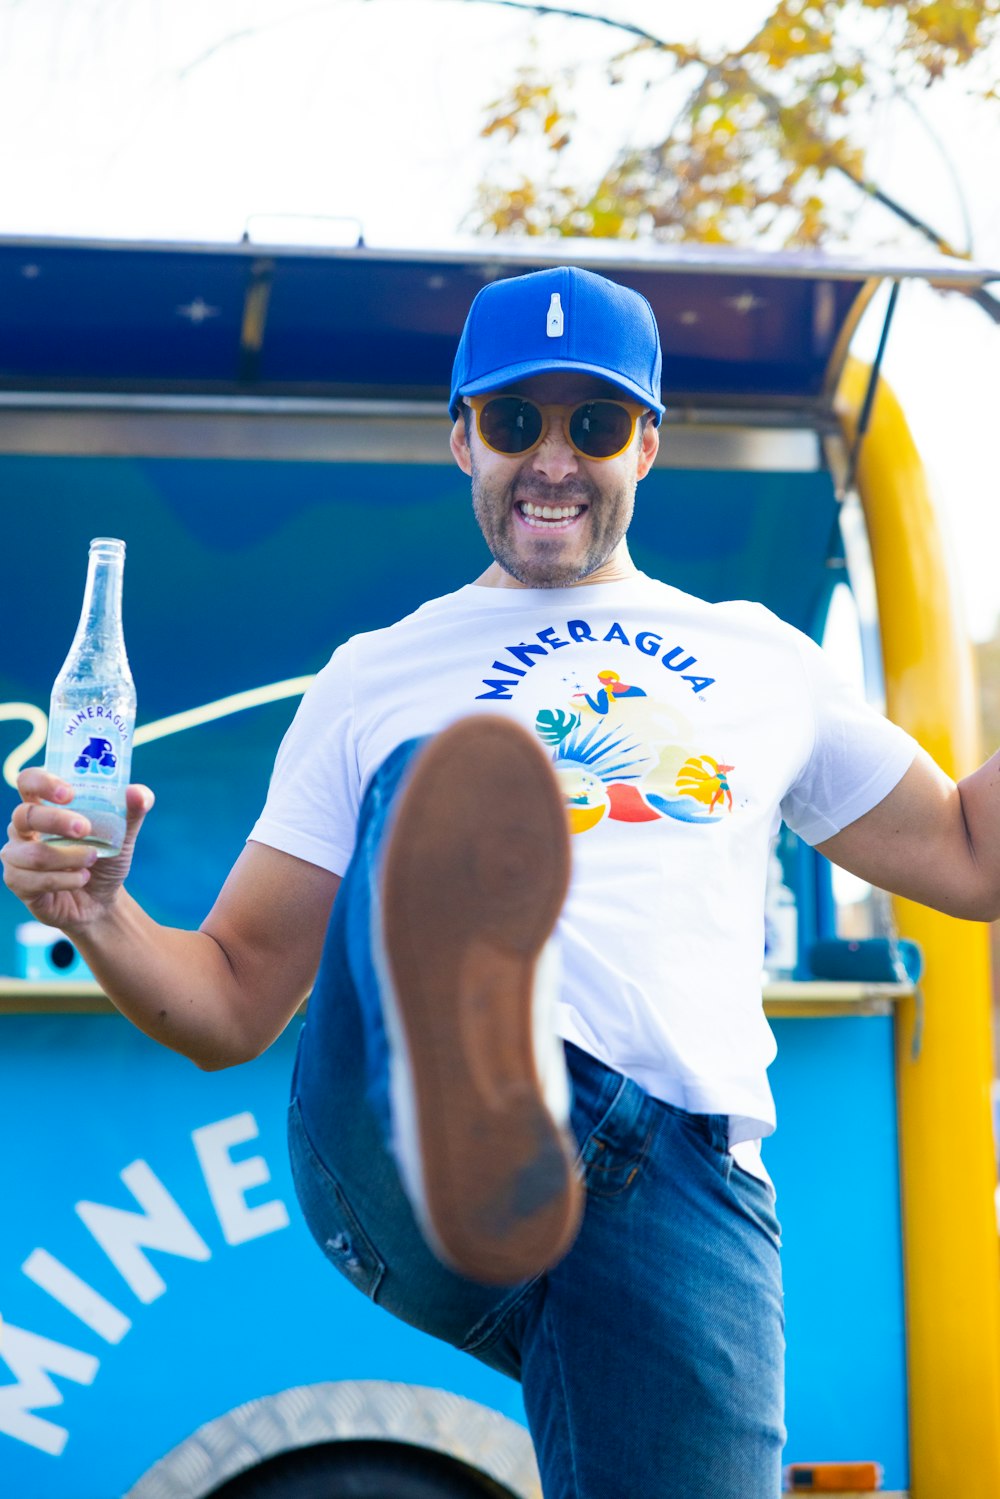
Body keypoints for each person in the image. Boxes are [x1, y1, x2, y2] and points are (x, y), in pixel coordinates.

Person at [5, 265, 1000, 1499]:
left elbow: (967, 853)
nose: (551, 459)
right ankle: (471, 1064)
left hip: (680, 1184)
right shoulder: (375, 675)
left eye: (592, 424)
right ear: (461, 435)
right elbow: (233, 1001)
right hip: (392, 1140)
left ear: (646, 444)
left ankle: (515, 1103)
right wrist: (101, 910)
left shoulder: (761, 657)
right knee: (433, 784)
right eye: (515, 420)